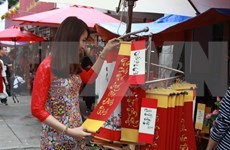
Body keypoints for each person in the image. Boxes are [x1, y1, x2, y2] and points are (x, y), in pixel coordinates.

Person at [31, 16, 120, 149]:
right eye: (83, 40)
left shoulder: (72, 65)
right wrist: (68, 130)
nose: (84, 46)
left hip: (77, 134)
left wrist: (105, 52)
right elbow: (37, 109)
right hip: (55, 139)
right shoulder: (47, 67)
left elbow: (89, 78)